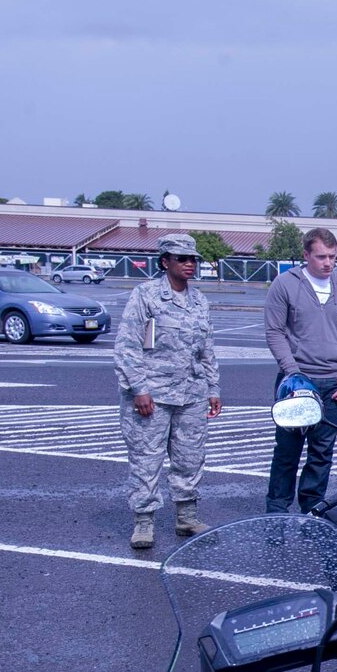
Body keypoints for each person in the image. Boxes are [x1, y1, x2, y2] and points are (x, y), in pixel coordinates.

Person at [115, 233, 221, 549]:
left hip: (192, 393)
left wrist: (213, 387)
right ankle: (143, 522)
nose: (190, 264)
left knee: (190, 458)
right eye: (182, 259)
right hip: (153, 396)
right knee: (146, 460)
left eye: (194, 260)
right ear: (165, 262)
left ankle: (186, 518)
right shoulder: (146, 296)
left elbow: (207, 349)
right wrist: (139, 389)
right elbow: (127, 346)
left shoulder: (200, 300)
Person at [264, 227, 337, 514]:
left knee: (322, 453)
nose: (328, 263)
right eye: (321, 256)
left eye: (332, 257)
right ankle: (276, 508)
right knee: (287, 451)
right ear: (306, 255)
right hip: (296, 382)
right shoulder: (285, 285)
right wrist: (292, 372)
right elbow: (274, 332)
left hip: (333, 384)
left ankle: (312, 508)